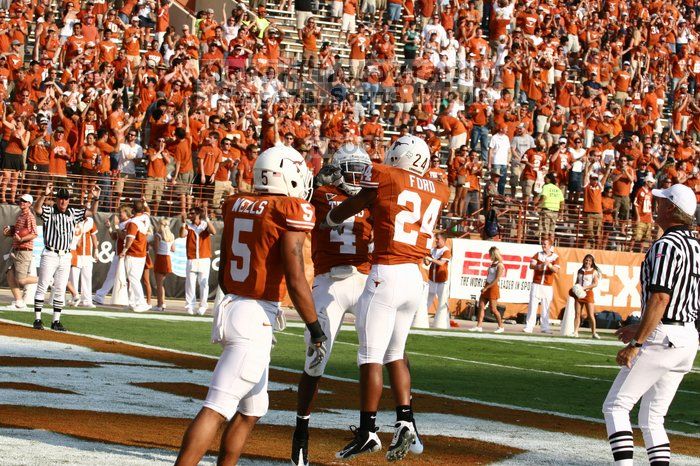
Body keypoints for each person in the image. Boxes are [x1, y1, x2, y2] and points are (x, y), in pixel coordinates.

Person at [175, 145, 326, 466]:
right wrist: (315, 329)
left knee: (251, 410)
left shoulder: (238, 204)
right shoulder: (287, 209)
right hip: (254, 316)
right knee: (216, 407)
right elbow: (295, 274)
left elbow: (227, 266)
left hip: (233, 305)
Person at [328, 135, 449, 461]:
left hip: (386, 273)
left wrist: (334, 216)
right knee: (395, 353)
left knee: (369, 355)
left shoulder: (388, 176)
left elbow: (358, 203)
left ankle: (368, 431)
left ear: (404, 156)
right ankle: (405, 420)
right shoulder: (438, 187)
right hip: (415, 277)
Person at [603, 184, 699, 466]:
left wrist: (637, 343)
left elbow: (660, 297)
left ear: (672, 209)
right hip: (686, 336)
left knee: (616, 406)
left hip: (664, 335)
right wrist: (641, 327)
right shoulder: (695, 245)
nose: (655, 206)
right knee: (652, 418)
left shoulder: (667, 245)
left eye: (661, 202)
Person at [291, 145, 373, 466]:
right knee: (316, 358)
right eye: (350, 168)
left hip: (366, 280)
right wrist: (314, 179)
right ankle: (301, 430)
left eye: (360, 168)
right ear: (336, 170)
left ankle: (370, 428)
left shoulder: (372, 198)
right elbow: (298, 199)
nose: (357, 175)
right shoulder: (321, 192)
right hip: (330, 282)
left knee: (381, 353)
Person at [32, 183, 100, 331]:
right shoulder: (50, 211)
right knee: (43, 285)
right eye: (61, 199)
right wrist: (44, 194)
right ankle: (37, 319)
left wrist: (96, 198)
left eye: (66, 199)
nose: (63, 202)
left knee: (61, 288)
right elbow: (37, 209)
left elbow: (91, 213)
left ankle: (56, 321)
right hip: (50, 253)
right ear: (56, 200)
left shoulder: (73, 212)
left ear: (69, 200)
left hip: (65, 255)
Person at [1, 194, 38, 311]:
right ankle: (19, 301)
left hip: (24, 250)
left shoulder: (30, 216)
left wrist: (21, 239)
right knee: (9, 273)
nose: (22, 202)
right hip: (15, 249)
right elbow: (17, 231)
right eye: (21, 200)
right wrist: (9, 231)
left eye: (25, 201)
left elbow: (34, 233)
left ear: (29, 204)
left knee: (21, 280)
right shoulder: (20, 215)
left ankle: (46, 279)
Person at [180, 204, 216, 315]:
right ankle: (190, 306)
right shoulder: (188, 226)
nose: (189, 215)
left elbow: (213, 232)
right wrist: (183, 223)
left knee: (204, 284)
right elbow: (181, 235)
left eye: (192, 213)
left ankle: (203, 306)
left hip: (204, 258)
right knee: (190, 284)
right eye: (189, 213)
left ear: (197, 215)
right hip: (192, 258)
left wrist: (207, 219)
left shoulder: (204, 225)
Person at [119, 201, 151, 313]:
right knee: (133, 279)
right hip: (142, 253)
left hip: (134, 253)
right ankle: (132, 302)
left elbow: (130, 238)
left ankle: (141, 302)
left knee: (133, 279)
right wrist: (145, 203)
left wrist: (124, 250)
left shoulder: (133, 222)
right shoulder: (145, 217)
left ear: (133, 209)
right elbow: (148, 212)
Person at [523, 237, 560, 334]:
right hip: (536, 284)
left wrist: (549, 265)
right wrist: (540, 266)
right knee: (532, 305)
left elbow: (556, 270)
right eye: (542, 244)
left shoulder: (555, 257)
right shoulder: (538, 255)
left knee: (546, 307)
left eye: (545, 244)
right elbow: (531, 266)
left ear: (550, 246)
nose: (543, 246)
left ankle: (545, 327)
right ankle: (529, 326)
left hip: (547, 286)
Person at [470, 246, 505, 333]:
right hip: (487, 286)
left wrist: (486, 287)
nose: (489, 256)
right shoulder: (492, 263)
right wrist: (485, 286)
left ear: (494, 254)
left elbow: (496, 279)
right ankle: (479, 326)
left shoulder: (500, 265)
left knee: (493, 309)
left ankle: (501, 326)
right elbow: (489, 276)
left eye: (490, 254)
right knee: (481, 306)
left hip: (493, 288)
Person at [68, 212, 99, 308]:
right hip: (76, 253)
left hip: (87, 254)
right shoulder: (74, 221)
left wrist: (96, 249)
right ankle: (75, 298)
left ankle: (87, 300)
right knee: (74, 277)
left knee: (87, 277)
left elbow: (93, 235)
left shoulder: (90, 221)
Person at [424, 232, 451, 329]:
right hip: (432, 279)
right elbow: (427, 263)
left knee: (442, 302)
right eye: (435, 239)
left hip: (442, 281)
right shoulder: (433, 250)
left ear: (443, 240)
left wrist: (430, 259)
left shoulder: (446, 251)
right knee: (427, 300)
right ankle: (422, 320)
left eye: (438, 239)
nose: (436, 240)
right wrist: (424, 257)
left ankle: (444, 323)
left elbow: (441, 263)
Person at [572, 254, 600, 339]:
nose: (587, 262)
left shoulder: (594, 271)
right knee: (577, 314)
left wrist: (585, 288)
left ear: (592, 263)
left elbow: (595, 283)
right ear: (584, 261)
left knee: (591, 315)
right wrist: (575, 288)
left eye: (589, 261)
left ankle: (594, 333)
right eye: (586, 260)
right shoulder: (580, 270)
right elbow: (577, 282)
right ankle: (576, 332)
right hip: (579, 294)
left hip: (588, 294)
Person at [153, 218, 175, 312]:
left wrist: (151, 244)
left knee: (159, 284)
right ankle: (163, 303)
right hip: (168, 259)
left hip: (160, 259)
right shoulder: (172, 235)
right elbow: (173, 249)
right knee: (161, 284)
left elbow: (156, 249)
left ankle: (159, 304)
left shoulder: (158, 235)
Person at [537, 173, 564, 240]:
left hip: (546, 210)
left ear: (549, 179)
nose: (544, 180)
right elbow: (562, 202)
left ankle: (546, 246)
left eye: (545, 178)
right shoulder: (558, 189)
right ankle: (550, 247)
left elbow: (544, 197)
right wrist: (561, 213)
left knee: (545, 231)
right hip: (555, 212)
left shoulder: (546, 187)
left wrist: (538, 206)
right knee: (552, 232)